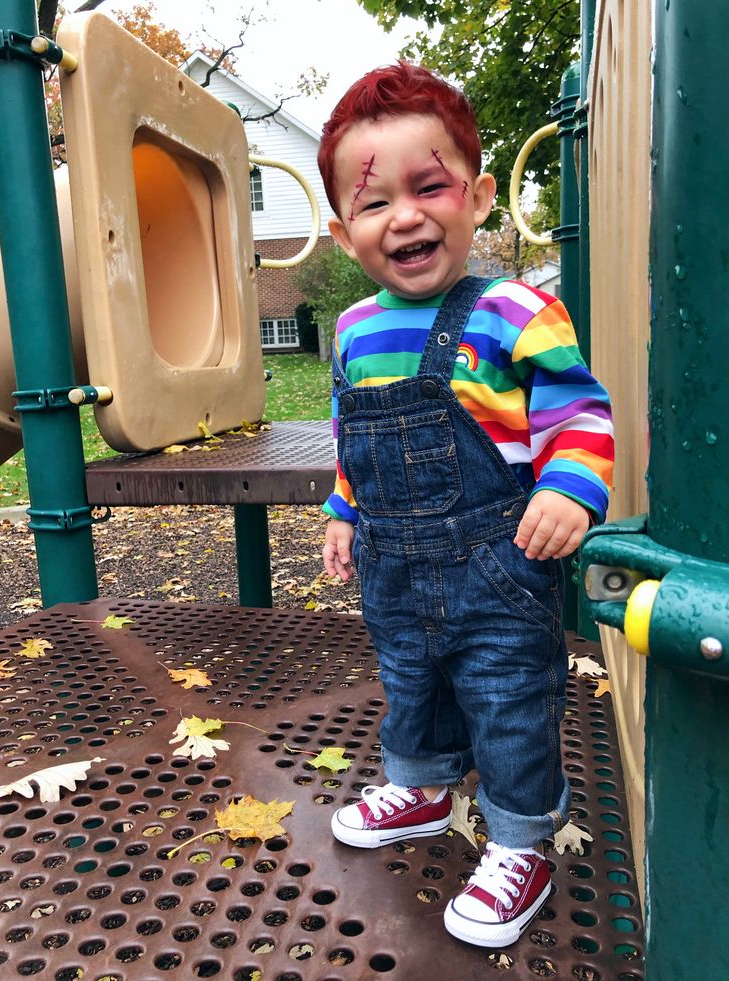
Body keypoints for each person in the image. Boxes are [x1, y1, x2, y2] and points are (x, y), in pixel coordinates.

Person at [317, 62, 614, 949]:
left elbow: (578, 409)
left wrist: (569, 485)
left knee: (508, 698)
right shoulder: (354, 330)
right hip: (393, 561)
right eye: (374, 204)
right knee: (411, 682)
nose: (403, 215)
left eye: (429, 186)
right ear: (342, 234)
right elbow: (352, 434)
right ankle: (421, 786)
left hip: (500, 564)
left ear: (479, 197)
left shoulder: (516, 310)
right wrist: (343, 508)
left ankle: (522, 839)